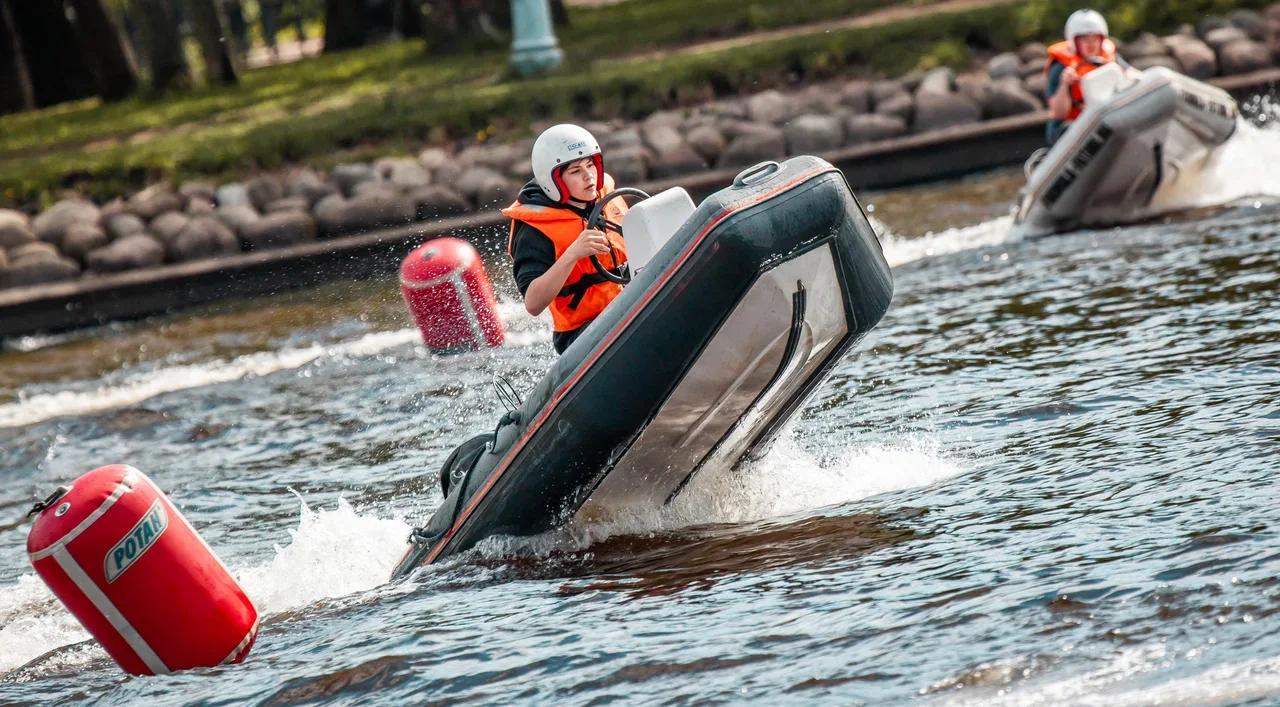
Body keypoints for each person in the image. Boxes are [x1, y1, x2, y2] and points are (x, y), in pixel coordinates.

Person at [503, 124, 630, 355]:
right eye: (575, 171)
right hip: (581, 333)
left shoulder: (609, 198)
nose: (588, 176)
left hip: (631, 304)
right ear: (554, 181)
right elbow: (533, 304)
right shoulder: (534, 231)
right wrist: (572, 253)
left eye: (590, 165)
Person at [1044, 9, 1131, 145]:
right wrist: (1064, 84)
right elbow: (1058, 112)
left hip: (1104, 118)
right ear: (1075, 41)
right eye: (1085, 39)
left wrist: (1125, 74)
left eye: (1095, 38)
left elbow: (1132, 74)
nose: (1091, 44)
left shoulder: (1110, 58)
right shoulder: (1060, 67)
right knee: (1068, 129)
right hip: (1072, 124)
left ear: (1101, 39)